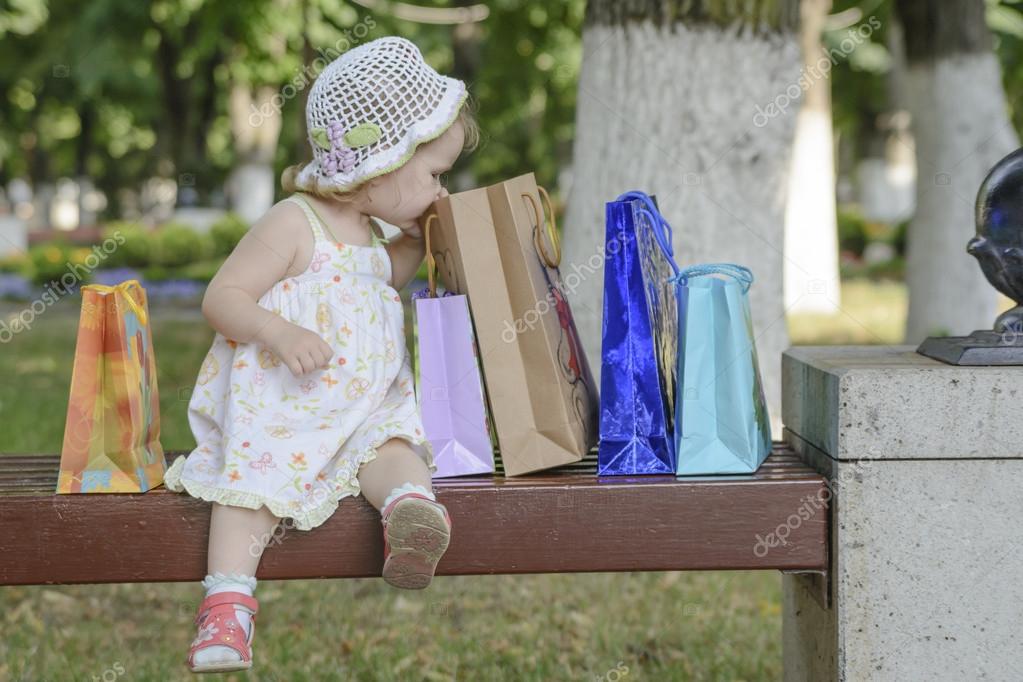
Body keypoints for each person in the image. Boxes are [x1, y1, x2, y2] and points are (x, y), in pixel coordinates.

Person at [162, 35, 479, 674]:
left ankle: (410, 514)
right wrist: (279, 333)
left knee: (393, 449)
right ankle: (227, 606)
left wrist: (415, 244)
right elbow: (223, 297)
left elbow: (377, 280)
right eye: (435, 175)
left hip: (362, 407)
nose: (441, 190)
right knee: (249, 487)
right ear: (380, 164)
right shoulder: (292, 223)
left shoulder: (372, 232)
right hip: (285, 411)